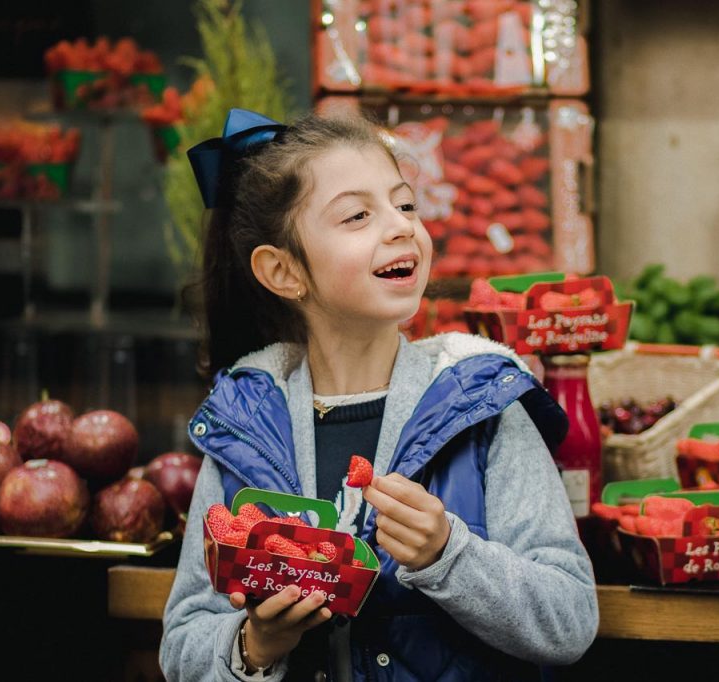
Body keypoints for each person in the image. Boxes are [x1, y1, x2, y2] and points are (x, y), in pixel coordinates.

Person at [159, 108, 599, 682]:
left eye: (406, 204)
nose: (399, 226)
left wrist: (449, 555)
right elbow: (183, 646)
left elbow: (570, 620)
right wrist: (256, 643)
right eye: (358, 215)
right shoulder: (244, 424)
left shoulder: (481, 402)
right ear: (283, 271)